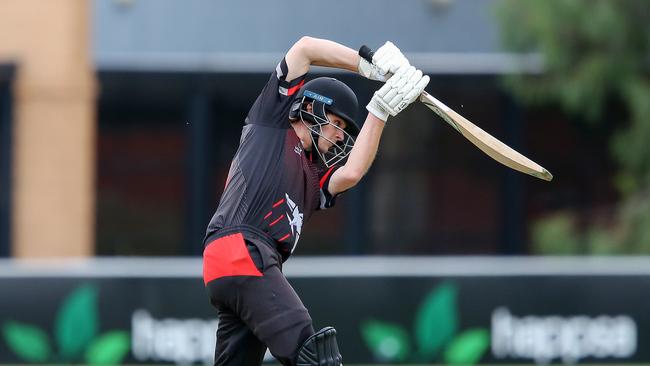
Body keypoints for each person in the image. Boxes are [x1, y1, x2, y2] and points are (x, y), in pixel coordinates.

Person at [202, 36, 429, 366]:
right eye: (338, 124)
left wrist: (380, 110)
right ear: (312, 106)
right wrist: (368, 65)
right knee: (315, 357)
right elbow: (305, 49)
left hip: (239, 264)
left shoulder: (313, 174)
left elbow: (350, 173)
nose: (340, 136)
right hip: (242, 250)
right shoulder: (274, 119)